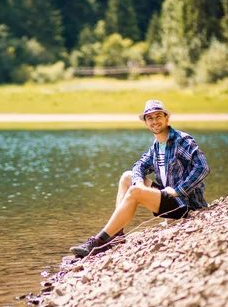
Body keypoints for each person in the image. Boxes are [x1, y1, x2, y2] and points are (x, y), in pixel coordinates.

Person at [70, 99, 210, 257]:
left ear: (166, 118)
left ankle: (99, 242)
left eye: (158, 116)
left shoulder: (181, 140)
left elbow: (202, 167)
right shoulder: (156, 146)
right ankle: (117, 236)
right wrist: (138, 183)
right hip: (168, 198)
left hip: (185, 205)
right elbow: (139, 166)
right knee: (127, 177)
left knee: (135, 192)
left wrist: (178, 190)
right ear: (146, 123)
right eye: (150, 118)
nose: (154, 121)